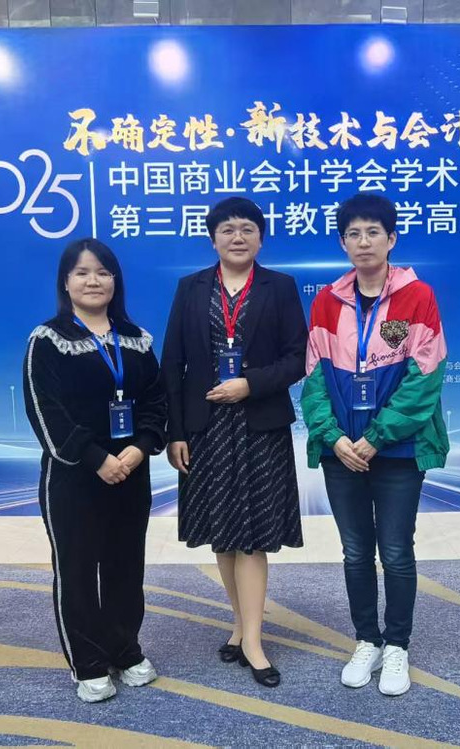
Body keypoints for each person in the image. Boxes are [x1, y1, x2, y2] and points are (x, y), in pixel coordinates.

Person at [301, 193, 449, 696]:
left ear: (391, 239)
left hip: (398, 451)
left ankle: (397, 645)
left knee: (397, 551)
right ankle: (367, 640)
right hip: (341, 452)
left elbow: (425, 378)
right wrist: (335, 438)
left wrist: (376, 438)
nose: (363, 242)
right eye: (353, 234)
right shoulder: (326, 301)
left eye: (373, 232)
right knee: (355, 552)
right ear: (342, 243)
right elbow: (313, 380)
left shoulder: (417, 297)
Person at [162, 197, 307, 688]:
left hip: (259, 426)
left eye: (247, 228)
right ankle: (240, 625)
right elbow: (172, 364)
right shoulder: (190, 288)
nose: (237, 236)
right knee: (222, 535)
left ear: (261, 238)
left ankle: (254, 642)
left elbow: (298, 358)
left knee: (254, 537)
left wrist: (251, 383)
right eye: (227, 229)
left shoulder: (279, 287)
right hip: (205, 429)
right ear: (213, 239)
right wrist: (175, 432)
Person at [23, 238, 167, 703]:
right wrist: (96, 458)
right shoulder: (48, 340)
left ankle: (125, 650)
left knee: (126, 566)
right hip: (74, 478)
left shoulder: (137, 339)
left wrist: (140, 448)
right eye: (82, 273)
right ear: (65, 282)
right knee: (78, 569)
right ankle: (86, 663)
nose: (93, 281)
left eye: (103, 272)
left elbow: (156, 401)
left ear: (115, 281)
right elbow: (46, 412)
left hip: (131, 472)